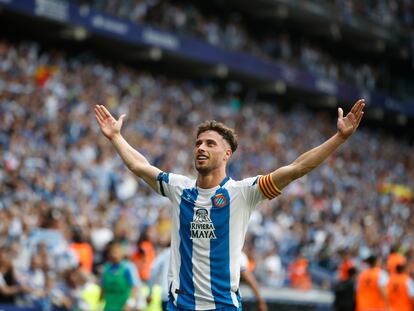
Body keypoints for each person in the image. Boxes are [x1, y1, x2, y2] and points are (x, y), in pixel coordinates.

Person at [94, 98, 365, 310]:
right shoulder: (179, 188)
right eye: (198, 143)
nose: (201, 147)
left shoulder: (243, 192)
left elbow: (296, 168)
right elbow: (140, 166)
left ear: (227, 154)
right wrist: (117, 137)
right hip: (179, 305)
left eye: (210, 143)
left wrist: (338, 138)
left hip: (221, 306)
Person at [100, 241, 141, 311]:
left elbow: (135, 287)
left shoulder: (128, 267)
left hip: (123, 307)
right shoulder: (106, 268)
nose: (115, 254)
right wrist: (99, 303)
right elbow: (103, 288)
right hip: (109, 307)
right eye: (113, 252)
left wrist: (130, 303)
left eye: (117, 251)